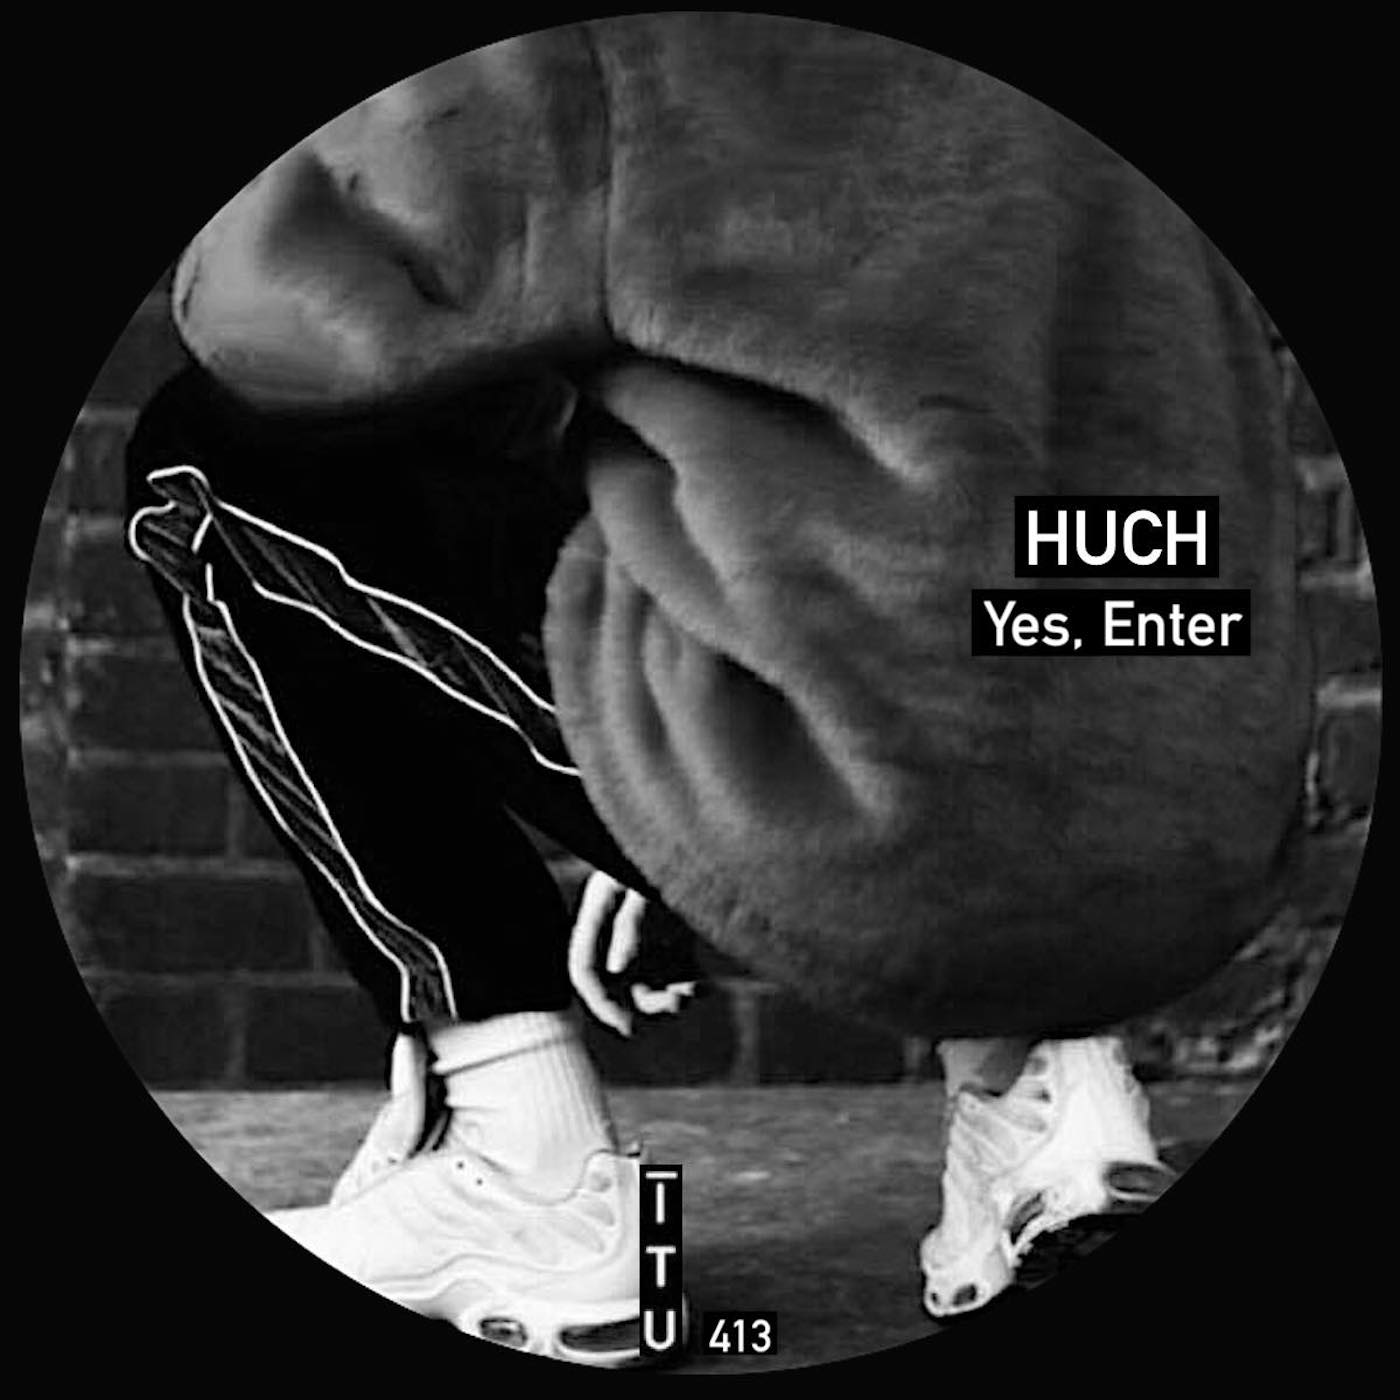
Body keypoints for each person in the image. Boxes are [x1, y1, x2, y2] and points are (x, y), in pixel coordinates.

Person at [123, 15, 1306, 1364]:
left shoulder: (633, 52)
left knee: (202, 456)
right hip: (1205, 819)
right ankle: (1047, 1107)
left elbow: (256, 299)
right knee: (1013, 581)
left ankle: (522, 1155)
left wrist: (686, 723)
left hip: (874, 807)